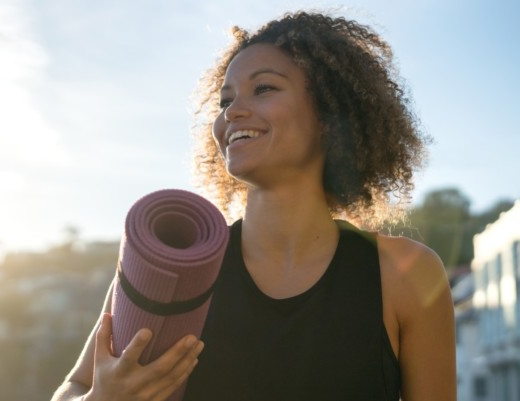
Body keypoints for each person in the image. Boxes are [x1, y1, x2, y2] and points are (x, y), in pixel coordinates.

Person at [52, 10, 456, 401]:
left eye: (264, 89)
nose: (233, 111)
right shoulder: (174, 266)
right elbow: (71, 389)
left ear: (331, 114)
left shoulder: (406, 275)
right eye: (226, 99)